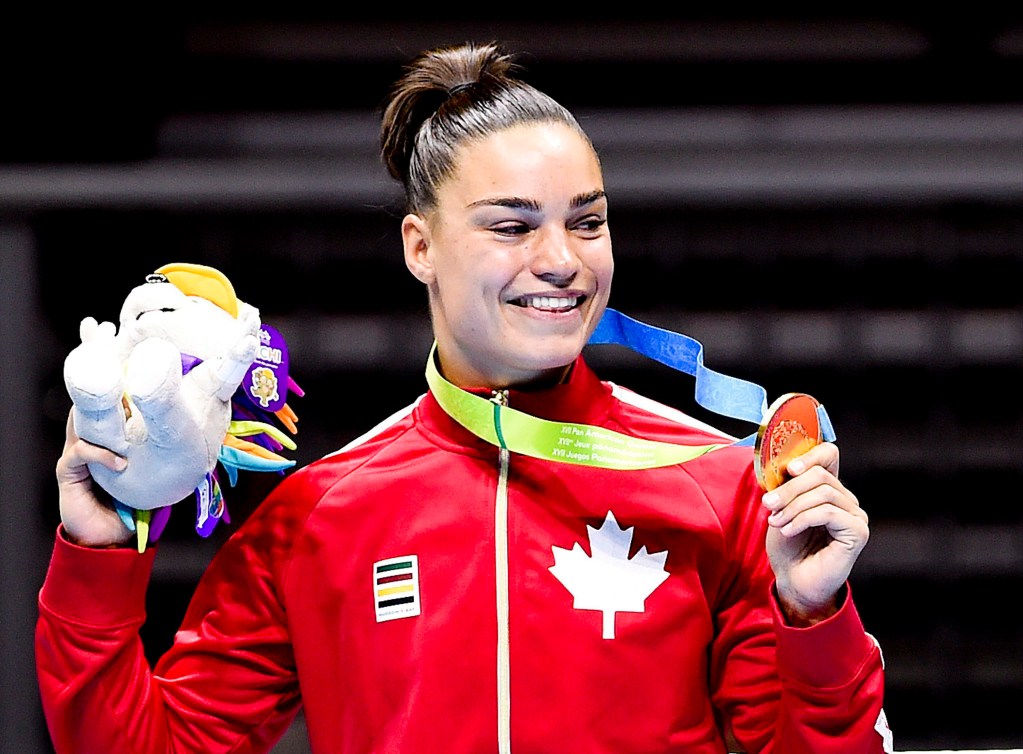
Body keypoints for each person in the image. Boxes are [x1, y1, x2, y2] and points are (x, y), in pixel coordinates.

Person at [36, 41, 891, 754]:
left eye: (586, 222)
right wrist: (94, 551)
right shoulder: (317, 517)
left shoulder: (713, 483)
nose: (561, 259)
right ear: (420, 246)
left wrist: (812, 614)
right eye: (512, 226)